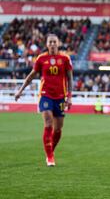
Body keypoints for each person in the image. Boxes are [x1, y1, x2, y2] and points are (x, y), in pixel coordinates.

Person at [15, 34, 73, 167]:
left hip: (61, 97)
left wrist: (69, 97)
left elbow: (70, 78)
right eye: (50, 42)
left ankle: (50, 150)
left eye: (54, 42)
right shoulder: (41, 58)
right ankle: (50, 157)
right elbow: (31, 76)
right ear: (47, 44)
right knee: (48, 123)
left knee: (58, 128)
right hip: (45, 95)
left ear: (58, 43)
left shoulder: (65, 58)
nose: (52, 44)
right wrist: (20, 90)